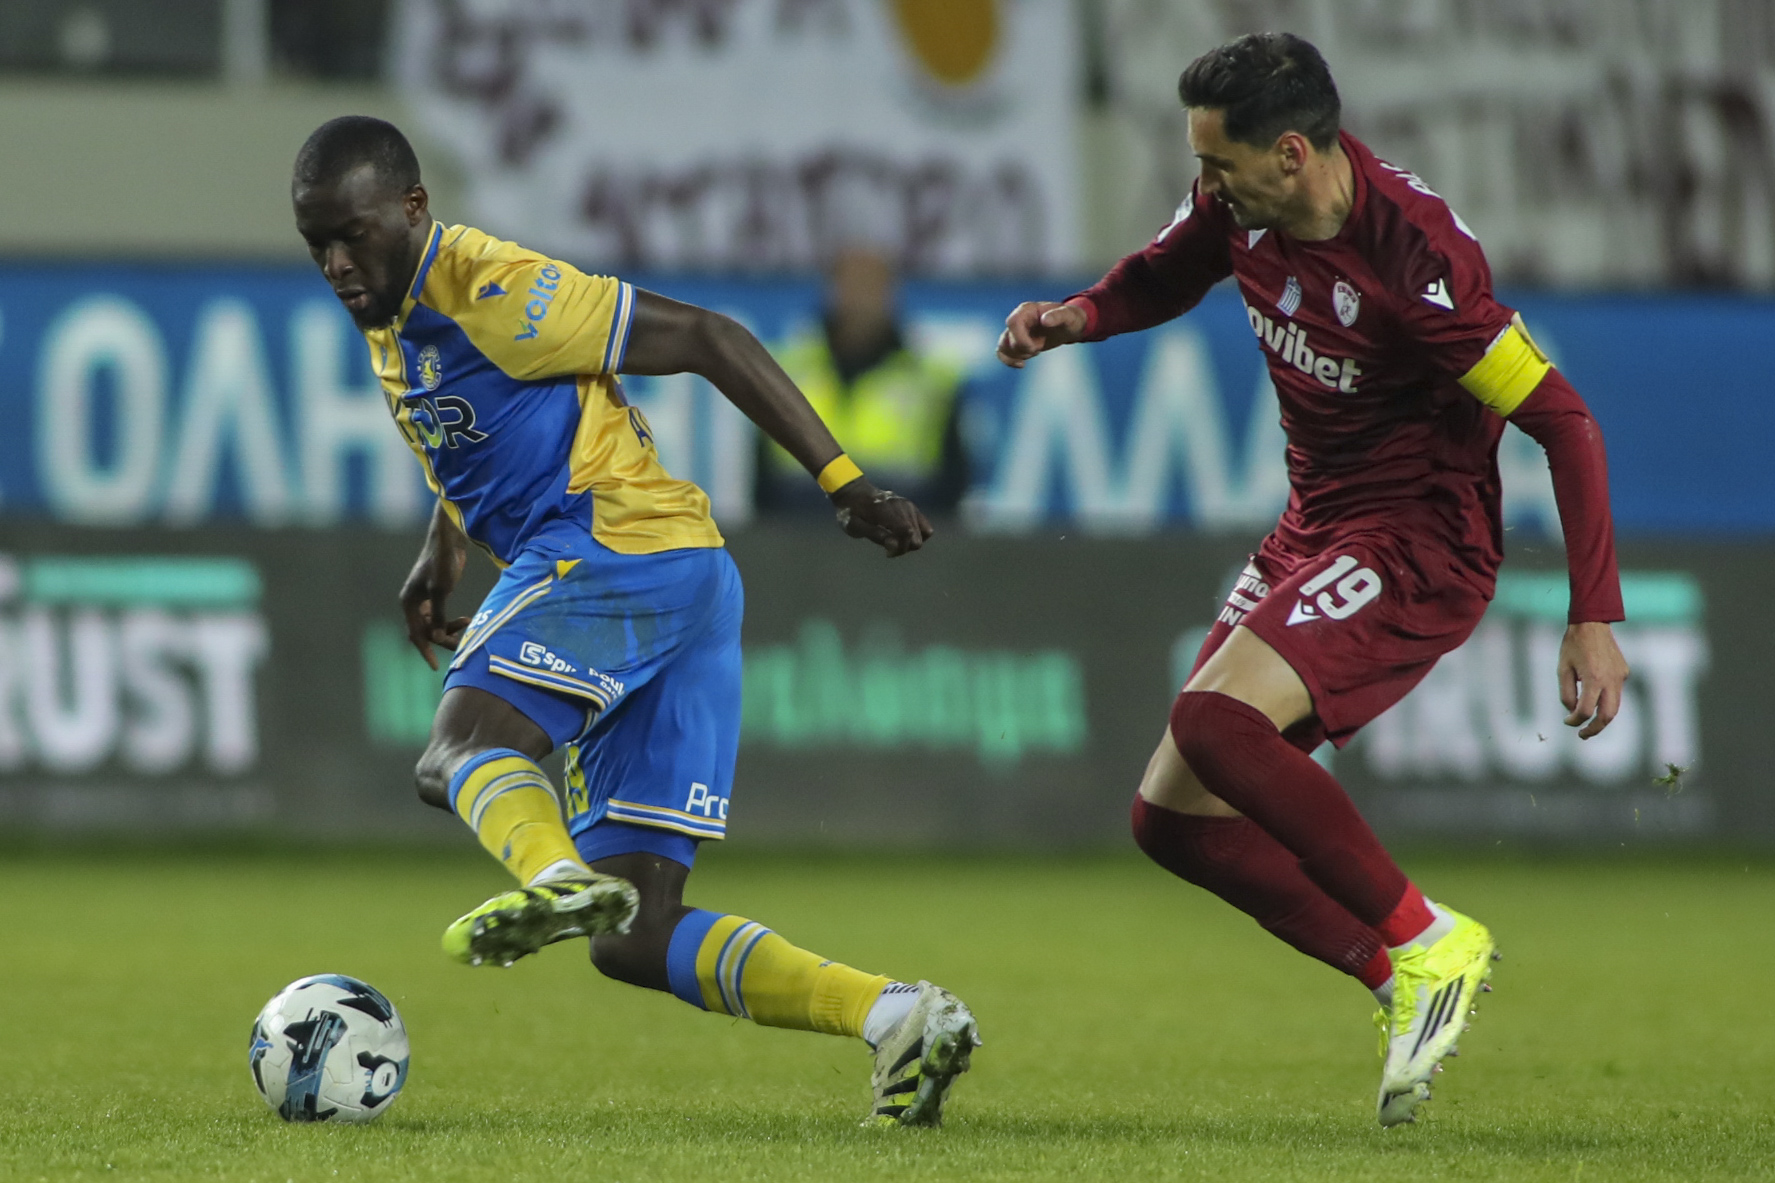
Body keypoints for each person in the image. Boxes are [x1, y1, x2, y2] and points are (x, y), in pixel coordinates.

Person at [291, 116, 980, 1127]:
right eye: (317, 244)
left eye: (353, 236)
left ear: (413, 209)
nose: (337, 265)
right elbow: (478, 434)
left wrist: (844, 482)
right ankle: (898, 1016)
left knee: (456, 752)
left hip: (616, 551)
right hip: (686, 579)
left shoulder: (496, 289)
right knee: (637, 932)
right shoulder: (395, 310)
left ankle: (553, 876)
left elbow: (709, 337)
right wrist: (442, 551)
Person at [996, 33, 1627, 1127]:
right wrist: (1077, 317)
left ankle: (1428, 938)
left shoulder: (1416, 263)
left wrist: (1593, 617)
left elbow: (1564, 423)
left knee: (1214, 721)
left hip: (1416, 540)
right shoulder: (1240, 209)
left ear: (1289, 153)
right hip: (1314, 524)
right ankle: (1399, 981)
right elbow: (1165, 271)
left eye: (1217, 163)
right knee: (1171, 819)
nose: (1203, 183)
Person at [758, 245, 969, 517]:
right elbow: (762, 480)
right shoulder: (785, 374)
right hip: (798, 529)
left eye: (872, 286)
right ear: (831, 291)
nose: (861, 298)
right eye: (851, 284)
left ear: (892, 295)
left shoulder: (932, 384)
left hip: (896, 533)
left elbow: (952, 486)